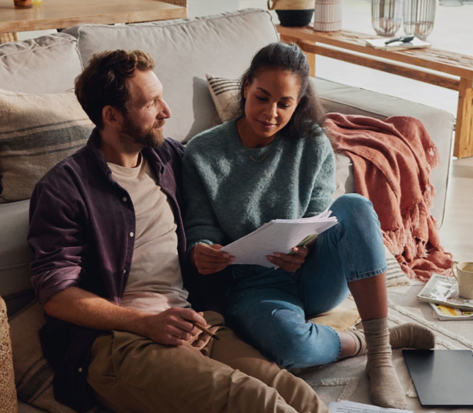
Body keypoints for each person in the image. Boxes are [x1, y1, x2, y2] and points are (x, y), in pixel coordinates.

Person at [28, 49, 328, 413]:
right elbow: (57, 295)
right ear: (112, 116)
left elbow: (227, 195)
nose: (167, 111)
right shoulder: (63, 188)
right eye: (152, 103)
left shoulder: (169, 158)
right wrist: (147, 323)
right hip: (120, 342)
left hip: (195, 322)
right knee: (258, 402)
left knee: (299, 395)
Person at [182, 42, 436, 409]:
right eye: (261, 97)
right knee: (292, 349)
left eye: (284, 104)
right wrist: (200, 250)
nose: (270, 113)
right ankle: (362, 341)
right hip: (251, 285)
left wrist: (305, 248)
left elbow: (322, 218)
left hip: (312, 276)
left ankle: (380, 359)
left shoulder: (312, 141)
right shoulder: (203, 152)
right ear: (245, 87)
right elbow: (199, 225)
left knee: (354, 205)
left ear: (298, 103)